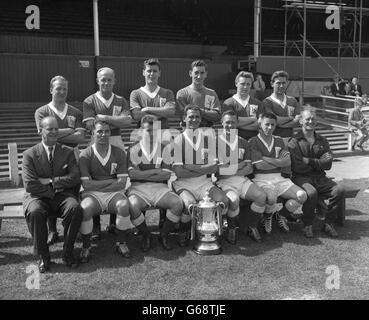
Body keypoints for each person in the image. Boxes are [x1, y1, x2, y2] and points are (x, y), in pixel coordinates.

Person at [22, 116, 82, 273]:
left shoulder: (67, 152)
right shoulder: (30, 154)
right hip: (38, 196)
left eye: (56, 128)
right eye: (50, 128)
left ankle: (67, 253)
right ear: (41, 131)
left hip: (62, 196)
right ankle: (44, 256)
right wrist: (52, 189)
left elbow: (75, 177)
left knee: (75, 208)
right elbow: (30, 184)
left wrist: (51, 182)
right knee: (35, 212)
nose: (54, 132)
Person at [34, 75, 85, 247]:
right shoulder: (42, 111)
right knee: (50, 191)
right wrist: (69, 131)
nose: (62, 91)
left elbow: (80, 137)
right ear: (51, 90)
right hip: (50, 157)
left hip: (72, 156)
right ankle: (52, 230)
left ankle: (71, 227)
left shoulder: (75, 112)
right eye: (58, 88)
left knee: (72, 189)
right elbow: (43, 134)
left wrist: (55, 133)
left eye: (64, 88)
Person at [82, 67, 132, 240]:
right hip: (96, 140)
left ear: (114, 80)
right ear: (97, 80)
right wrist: (113, 121)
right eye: (103, 79)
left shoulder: (120, 100)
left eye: (109, 79)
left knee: (115, 176)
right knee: (96, 176)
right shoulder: (89, 100)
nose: (106, 82)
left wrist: (103, 118)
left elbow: (127, 121)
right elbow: (90, 125)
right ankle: (95, 225)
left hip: (117, 140)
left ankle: (113, 222)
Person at [172, 105, 229, 246]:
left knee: (223, 200)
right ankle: (184, 231)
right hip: (184, 183)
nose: (194, 119)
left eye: (197, 116)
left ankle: (211, 229)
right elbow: (179, 172)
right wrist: (203, 168)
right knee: (190, 205)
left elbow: (214, 167)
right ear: (184, 119)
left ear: (201, 119)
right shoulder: (178, 140)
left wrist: (191, 166)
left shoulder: (207, 140)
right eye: (190, 116)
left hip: (204, 183)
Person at [127, 115, 183, 251]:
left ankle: (163, 234)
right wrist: (155, 172)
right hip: (138, 188)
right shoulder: (133, 149)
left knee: (178, 204)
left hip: (160, 187)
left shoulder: (165, 148)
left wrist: (143, 174)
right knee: (133, 205)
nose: (152, 134)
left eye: (155, 131)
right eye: (148, 130)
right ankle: (147, 235)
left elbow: (166, 174)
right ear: (141, 131)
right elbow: (132, 174)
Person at [78, 120, 132, 262]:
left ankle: (121, 242)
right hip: (93, 194)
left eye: (107, 131)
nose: (103, 134)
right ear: (93, 133)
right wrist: (110, 181)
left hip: (113, 193)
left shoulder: (119, 152)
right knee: (85, 208)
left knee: (123, 205)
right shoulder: (85, 154)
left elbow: (122, 182)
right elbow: (86, 185)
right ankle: (86, 246)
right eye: (100, 131)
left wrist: (97, 183)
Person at [288, 108, 345, 238]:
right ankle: (307, 225)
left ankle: (328, 223)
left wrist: (309, 161)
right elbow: (297, 167)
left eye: (313, 119)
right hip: (301, 178)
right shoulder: (294, 141)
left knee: (339, 190)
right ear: (301, 121)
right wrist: (319, 163)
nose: (310, 121)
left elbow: (328, 164)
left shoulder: (323, 140)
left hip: (320, 177)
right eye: (307, 119)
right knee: (311, 193)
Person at [248, 112, 307, 235]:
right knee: (271, 198)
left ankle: (281, 215)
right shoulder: (253, 141)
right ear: (260, 124)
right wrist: (279, 162)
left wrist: (266, 158)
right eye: (267, 124)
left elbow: (287, 162)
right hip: (261, 179)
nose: (270, 128)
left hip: (280, 178)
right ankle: (268, 216)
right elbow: (259, 165)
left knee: (302, 195)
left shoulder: (279, 140)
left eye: (273, 125)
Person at [216, 111, 267, 243]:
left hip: (242, 180)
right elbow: (220, 171)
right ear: (222, 122)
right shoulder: (215, 142)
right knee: (234, 200)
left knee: (261, 197)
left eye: (233, 122)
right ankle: (232, 229)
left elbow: (249, 168)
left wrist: (232, 167)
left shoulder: (243, 142)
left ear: (237, 124)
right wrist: (240, 165)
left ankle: (252, 226)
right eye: (227, 122)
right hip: (224, 182)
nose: (230, 125)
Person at [130, 58, 176, 130]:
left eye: (155, 71)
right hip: (143, 134)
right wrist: (162, 112)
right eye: (149, 71)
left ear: (159, 73)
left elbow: (170, 112)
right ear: (143, 72)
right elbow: (136, 115)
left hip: (163, 135)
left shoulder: (168, 93)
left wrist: (148, 109)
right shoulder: (135, 93)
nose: (152, 74)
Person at [176, 60, 221, 127]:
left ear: (206, 74)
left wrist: (198, 111)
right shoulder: (182, 93)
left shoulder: (212, 93)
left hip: (207, 132)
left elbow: (217, 116)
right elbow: (185, 116)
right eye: (196, 73)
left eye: (202, 73)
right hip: (189, 133)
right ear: (190, 73)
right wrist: (206, 113)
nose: (199, 76)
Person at [222, 71, 264, 141]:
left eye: (248, 84)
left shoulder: (258, 103)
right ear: (236, 84)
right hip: (234, 142)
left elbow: (260, 125)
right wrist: (253, 119)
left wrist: (238, 123)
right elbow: (230, 124)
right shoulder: (228, 103)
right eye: (242, 84)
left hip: (254, 142)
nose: (245, 87)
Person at [262, 70, 302, 139]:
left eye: (284, 83)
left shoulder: (293, 100)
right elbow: (273, 120)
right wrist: (291, 118)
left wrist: (281, 125)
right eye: (278, 83)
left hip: (290, 140)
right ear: (272, 84)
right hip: (273, 141)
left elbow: (299, 121)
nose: (281, 86)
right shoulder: (267, 102)